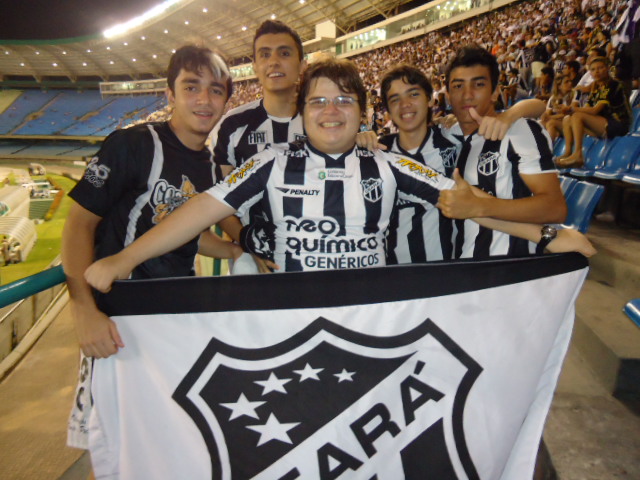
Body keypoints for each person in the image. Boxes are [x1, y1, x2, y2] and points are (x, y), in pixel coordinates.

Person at [84, 57, 594, 292]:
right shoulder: (271, 163)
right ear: (304, 111)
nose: (331, 111)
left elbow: (473, 208)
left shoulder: (393, 165)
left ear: (363, 111)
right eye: (318, 101)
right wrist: (121, 260)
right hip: (287, 317)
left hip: (368, 318)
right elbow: (198, 211)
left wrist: (554, 236)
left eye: (343, 100)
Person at [63, 45, 241, 451]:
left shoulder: (211, 167)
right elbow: (77, 226)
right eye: (191, 86)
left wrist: (231, 252)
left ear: (225, 100)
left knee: (158, 440)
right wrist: (84, 310)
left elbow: (179, 230)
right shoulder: (132, 145)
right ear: (170, 94)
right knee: (107, 443)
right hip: (115, 318)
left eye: (215, 91)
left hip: (171, 317)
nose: (203, 99)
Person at [436, 45, 567, 259]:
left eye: (478, 84)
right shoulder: (448, 135)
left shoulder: (519, 130)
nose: (467, 95)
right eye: (458, 86)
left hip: (508, 272)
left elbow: (554, 207)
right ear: (448, 95)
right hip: (462, 270)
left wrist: (479, 206)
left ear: (495, 91)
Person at [556, 56, 632, 167]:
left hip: (618, 124)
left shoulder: (613, 84)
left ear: (607, 68)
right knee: (568, 119)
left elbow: (595, 110)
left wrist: (572, 109)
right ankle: (568, 153)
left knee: (577, 115)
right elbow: (587, 107)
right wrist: (568, 111)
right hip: (602, 123)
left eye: (600, 68)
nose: (596, 71)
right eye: (593, 69)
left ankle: (578, 155)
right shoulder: (596, 86)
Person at [541, 74, 575, 141]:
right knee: (539, 123)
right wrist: (544, 115)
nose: (570, 83)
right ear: (559, 86)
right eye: (566, 82)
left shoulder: (574, 94)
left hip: (570, 123)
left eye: (570, 81)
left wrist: (550, 117)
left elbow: (569, 114)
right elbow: (547, 114)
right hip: (558, 123)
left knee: (551, 123)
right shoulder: (553, 98)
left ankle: (547, 149)